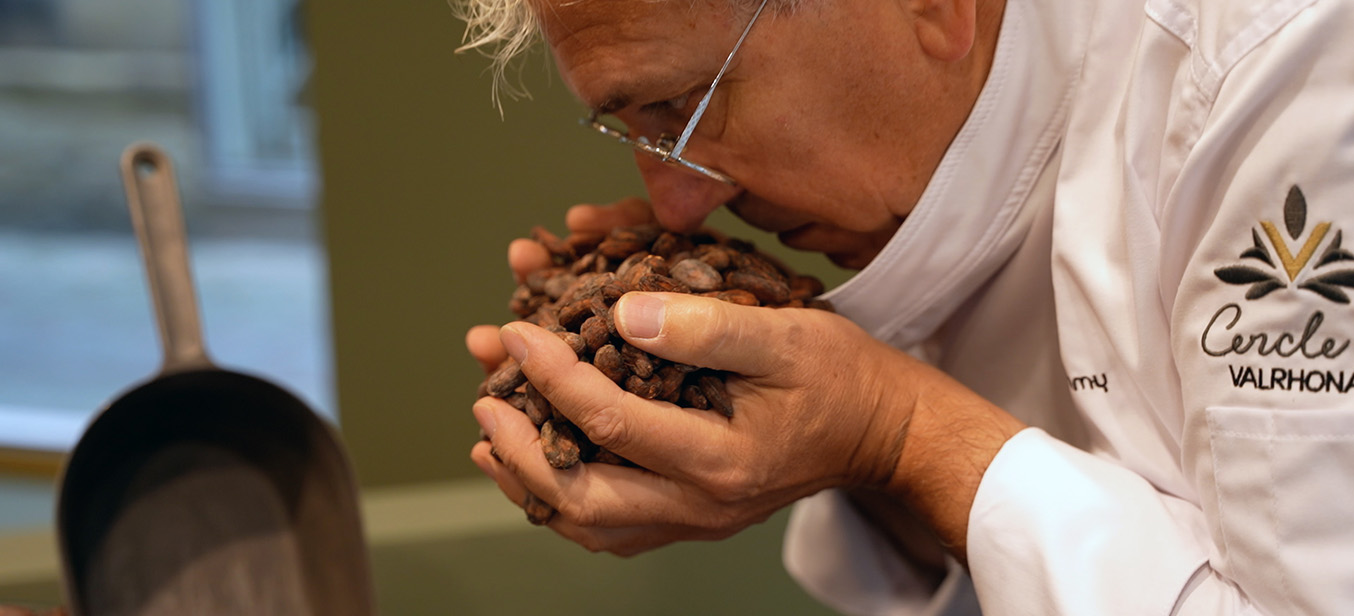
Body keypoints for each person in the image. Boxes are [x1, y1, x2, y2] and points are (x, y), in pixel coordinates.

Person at [455, 0, 1354, 613]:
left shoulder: (1282, 71)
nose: (677, 204)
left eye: (685, 107)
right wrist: (822, 436)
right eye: (632, 127)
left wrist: (897, 430)